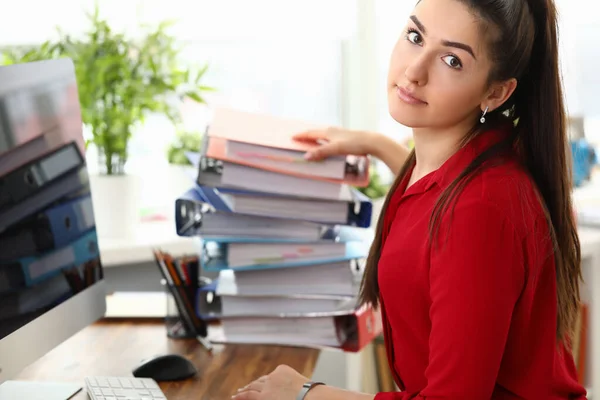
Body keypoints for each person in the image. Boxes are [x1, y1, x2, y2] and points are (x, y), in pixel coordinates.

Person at [233, 0, 586, 398]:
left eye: (452, 60)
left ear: (496, 92)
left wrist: (304, 393)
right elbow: (439, 211)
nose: (414, 72)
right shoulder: (468, 158)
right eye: (415, 37)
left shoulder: (481, 209)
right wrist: (376, 144)